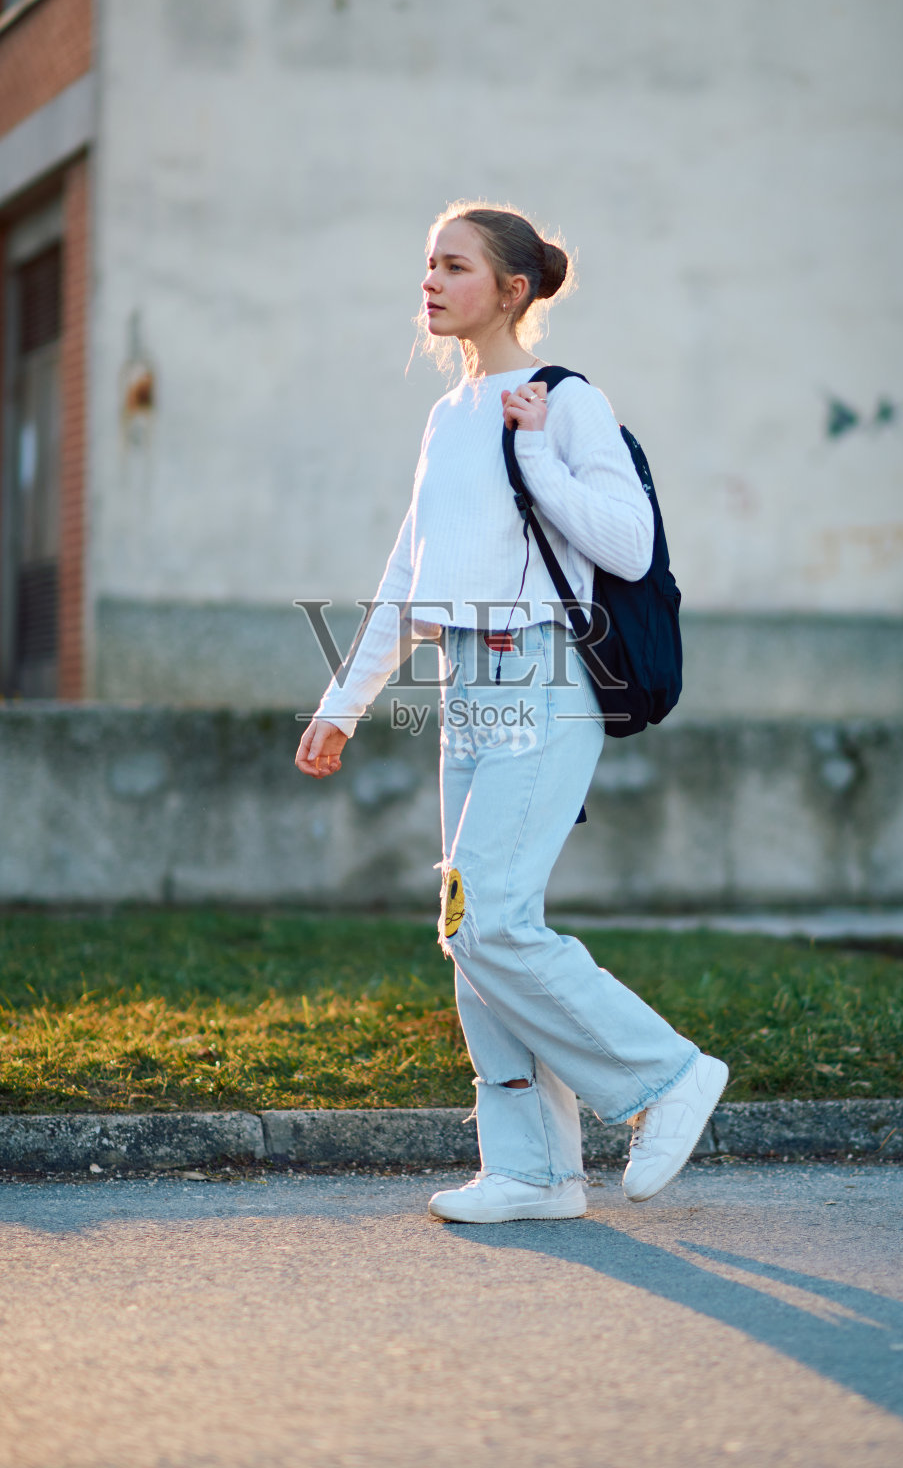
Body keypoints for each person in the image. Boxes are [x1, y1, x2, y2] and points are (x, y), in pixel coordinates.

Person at [295, 202, 728, 1223]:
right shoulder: (446, 419)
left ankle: (666, 1077)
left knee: (487, 915)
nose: (431, 284)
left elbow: (627, 542)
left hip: (541, 675)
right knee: (468, 924)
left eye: (453, 266)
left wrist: (535, 456)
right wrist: (343, 702)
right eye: (427, 267)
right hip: (465, 685)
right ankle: (532, 1170)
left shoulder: (561, 401)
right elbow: (410, 576)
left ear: (513, 288)